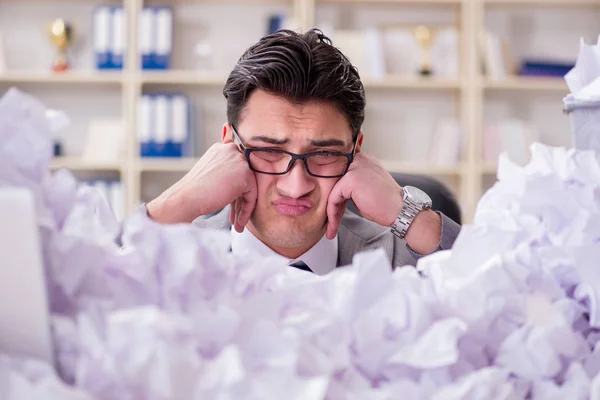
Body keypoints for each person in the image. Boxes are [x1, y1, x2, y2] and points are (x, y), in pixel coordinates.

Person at [144, 28, 461, 275]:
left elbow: (505, 302)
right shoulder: (167, 251)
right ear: (229, 148)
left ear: (356, 152)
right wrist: (178, 203)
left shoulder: (406, 258)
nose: (295, 187)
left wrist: (409, 215)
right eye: (269, 151)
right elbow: (95, 295)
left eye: (324, 155)